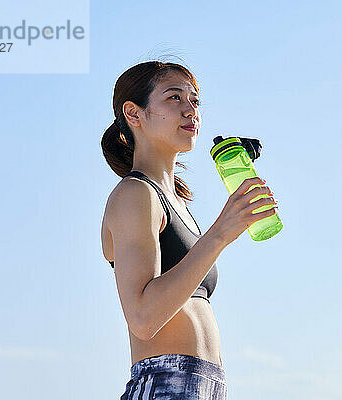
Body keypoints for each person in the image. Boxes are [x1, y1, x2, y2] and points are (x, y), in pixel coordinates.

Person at [100, 61, 279, 400]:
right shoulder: (135, 194)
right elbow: (143, 317)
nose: (190, 110)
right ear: (134, 114)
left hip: (205, 387)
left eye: (194, 101)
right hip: (165, 383)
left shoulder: (175, 202)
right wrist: (220, 233)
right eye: (174, 98)